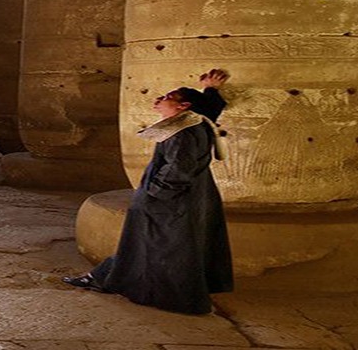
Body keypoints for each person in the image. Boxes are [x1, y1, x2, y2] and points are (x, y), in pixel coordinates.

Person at [61, 69, 235, 315]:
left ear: (183, 106)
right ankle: (104, 278)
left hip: (169, 202)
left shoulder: (183, 132)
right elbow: (208, 111)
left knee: (158, 247)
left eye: (168, 97)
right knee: (147, 245)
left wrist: (151, 196)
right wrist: (211, 90)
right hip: (186, 199)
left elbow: (178, 172)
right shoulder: (196, 121)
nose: (159, 99)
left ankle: (171, 297)